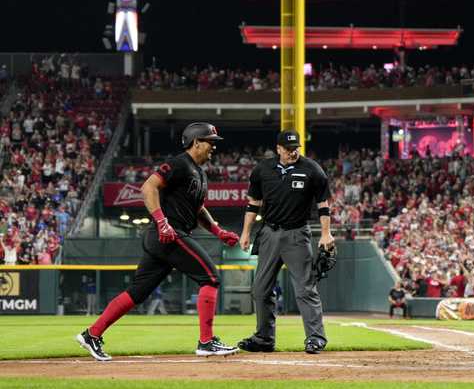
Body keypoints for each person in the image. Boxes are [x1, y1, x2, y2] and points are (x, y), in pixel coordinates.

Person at [76, 122, 239, 361]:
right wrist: (162, 221)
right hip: (169, 234)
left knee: (137, 292)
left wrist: (217, 230)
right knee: (210, 278)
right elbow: (147, 187)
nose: (213, 147)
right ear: (196, 142)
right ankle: (206, 342)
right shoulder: (179, 163)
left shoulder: (199, 172)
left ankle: (92, 334)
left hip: (166, 236)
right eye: (210, 142)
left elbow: (198, 209)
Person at [238, 130, 335, 355]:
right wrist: (245, 233)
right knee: (260, 289)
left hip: (297, 234)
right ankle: (264, 339)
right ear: (278, 148)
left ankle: (316, 338)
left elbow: (323, 205)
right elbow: (252, 205)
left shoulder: (312, 169)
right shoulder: (262, 170)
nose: (293, 152)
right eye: (289, 148)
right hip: (269, 234)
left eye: (296, 148)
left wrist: (326, 234)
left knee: (305, 289)